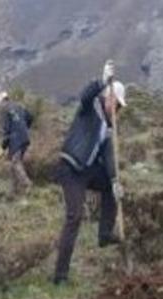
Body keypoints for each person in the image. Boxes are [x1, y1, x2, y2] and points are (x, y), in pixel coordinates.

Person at [53, 61, 127, 285]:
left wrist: (115, 180)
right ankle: (60, 276)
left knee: (110, 188)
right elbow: (84, 95)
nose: (118, 110)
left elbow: (109, 157)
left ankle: (105, 234)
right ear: (109, 98)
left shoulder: (109, 127)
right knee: (74, 217)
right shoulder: (90, 108)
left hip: (87, 169)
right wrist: (101, 81)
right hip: (71, 167)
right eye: (117, 105)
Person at [0, 91, 34, 196]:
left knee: (15, 162)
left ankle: (27, 183)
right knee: (13, 164)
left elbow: (7, 129)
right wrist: (24, 128)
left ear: (2, 101)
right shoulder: (19, 106)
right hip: (24, 137)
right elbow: (30, 117)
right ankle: (13, 191)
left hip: (16, 140)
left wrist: (4, 145)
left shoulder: (5, 110)